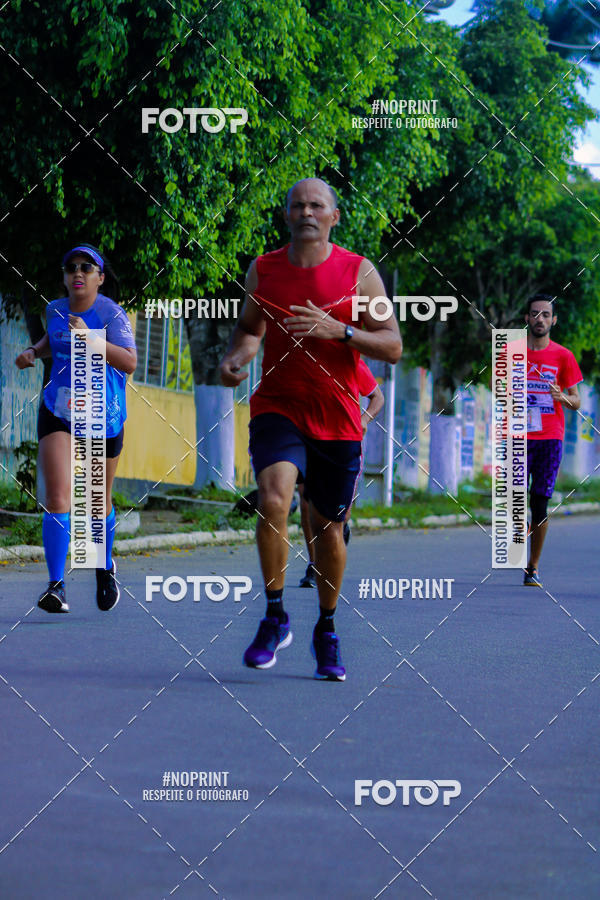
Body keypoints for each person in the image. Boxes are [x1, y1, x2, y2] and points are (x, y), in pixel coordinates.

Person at [219, 177, 402, 680]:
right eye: (297, 204)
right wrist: (236, 359)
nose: (306, 211)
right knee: (274, 498)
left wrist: (339, 330)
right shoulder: (264, 270)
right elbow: (250, 330)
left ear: (333, 216)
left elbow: (392, 345)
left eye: (316, 205)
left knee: (327, 528)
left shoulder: (360, 273)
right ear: (286, 215)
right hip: (278, 407)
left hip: (339, 419)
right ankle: (275, 615)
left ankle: (327, 627)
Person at [15, 244, 137, 613]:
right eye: (70, 267)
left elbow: (130, 362)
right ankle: (56, 586)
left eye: (87, 267)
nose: (77, 273)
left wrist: (91, 338)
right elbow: (53, 339)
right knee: (57, 497)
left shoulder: (111, 314)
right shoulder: (54, 309)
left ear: (100, 277)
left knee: (96, 501)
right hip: (59, 409)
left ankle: (103, 565)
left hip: (103, 415)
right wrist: (34, 353)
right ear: (65, 276)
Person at [299, 359, 384, 588]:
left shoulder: (351, 360)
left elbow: (378, 397)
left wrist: (364, 419)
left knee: (338, 516)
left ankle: (340, 531)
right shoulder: (301, 358)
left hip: (344, 443)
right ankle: (314, 563)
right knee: (307, 504)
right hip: (308, 440)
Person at [524, 294, 582, 587]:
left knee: (540, 503)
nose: (540, 319)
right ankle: (516, 546)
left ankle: (532, 566)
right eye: (535, 314)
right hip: (517, 436)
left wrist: (563, 397)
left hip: (549, 437)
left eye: (546, 315)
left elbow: (577, 400)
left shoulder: (563, 356)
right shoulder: (512, 353)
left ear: (553, 320)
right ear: (527, 319)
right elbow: (500, 389)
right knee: (513, 499)